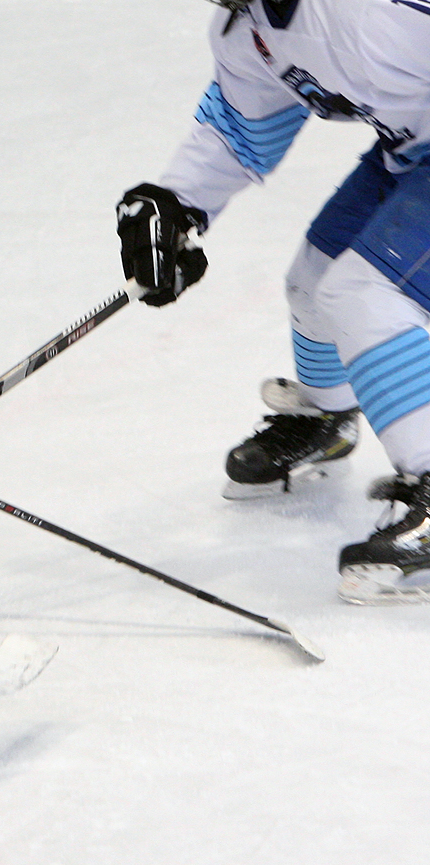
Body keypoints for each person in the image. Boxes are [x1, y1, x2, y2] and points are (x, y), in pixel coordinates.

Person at [115, 0, 430, 603]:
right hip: (411, 150)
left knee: (365, 293)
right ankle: (326, 419)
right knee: (311, 286)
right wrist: (175, 201)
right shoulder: (250, 30)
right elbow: (241, 128)